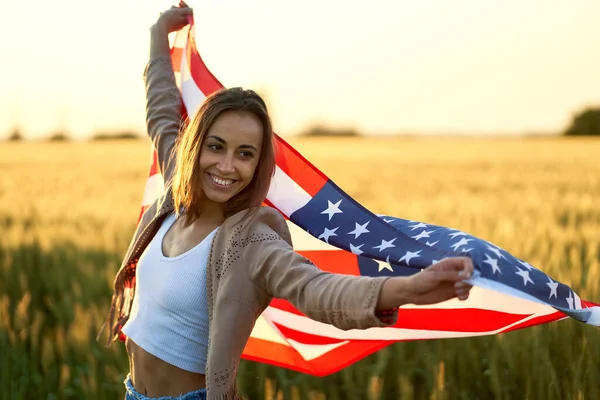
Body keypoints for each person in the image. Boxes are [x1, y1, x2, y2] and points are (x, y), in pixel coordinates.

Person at [101, 3, 474, 399]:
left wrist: (408, 288)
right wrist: (159, 34)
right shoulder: (174, 192)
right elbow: (161, 112)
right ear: (196, 147)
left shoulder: (249, 240)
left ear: (260, 163)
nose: (227, 166)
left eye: (245, 153)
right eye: (216, 146)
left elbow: (315, 289)